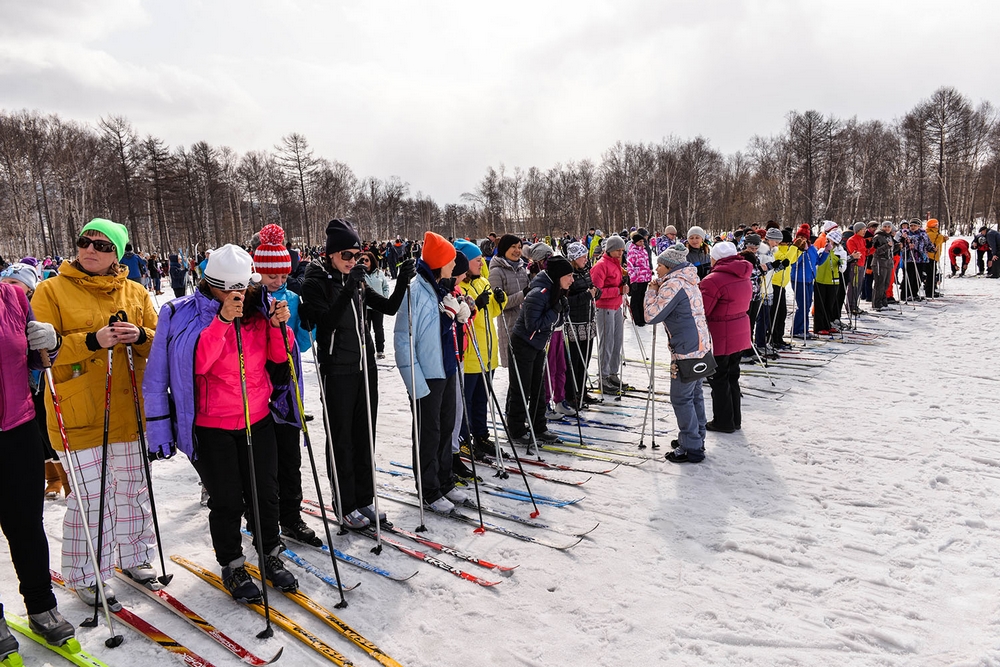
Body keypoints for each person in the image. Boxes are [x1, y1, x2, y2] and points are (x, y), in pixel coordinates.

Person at [144, 244, 299, 601]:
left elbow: (279, 358)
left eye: (243, 289)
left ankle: (271, 554)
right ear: (210, 285)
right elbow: (197, 365)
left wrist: (278, 326)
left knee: (265, 495)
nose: (238, 296)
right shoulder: (187, 313)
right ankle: (232, 563)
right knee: (227, 500)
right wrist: (223, 321)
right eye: (229, 289)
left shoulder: (258, 309)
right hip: (213, 426)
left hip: (257, 419)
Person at [31, 218, 159, 607]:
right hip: (79, 414)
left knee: (132, 491)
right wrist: (91, 340)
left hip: (130, 412)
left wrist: (140, 337)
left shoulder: (135, 292)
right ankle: (87, 574)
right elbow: (37, 352)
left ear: (117, 254)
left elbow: (158, 345)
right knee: (90, 499)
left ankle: (136, 557)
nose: (91, 249)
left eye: (103, 246)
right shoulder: (50, 290)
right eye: (85, 241)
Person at [300, 219, 416, 529]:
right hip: (337, 371)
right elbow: (323, 326)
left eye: (357, 254)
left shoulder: (359, 282)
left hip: (366, 369)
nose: (354, 261)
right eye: (347, 256)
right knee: (342, 439)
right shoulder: (316, 283)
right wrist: (348, 288)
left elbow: (389, 308)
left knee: (365, 435)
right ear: (331, 255)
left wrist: (403, 280)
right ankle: (345, 503)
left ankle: (364, 498)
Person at [0, 278, 77, 656]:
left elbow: (37, 360)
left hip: (18, 430)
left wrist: (50, 343)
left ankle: (41, 606)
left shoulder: (13, 297)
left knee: (26, 525)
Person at [251, 224, 320, 547]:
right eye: (271, 276)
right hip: (258, 384)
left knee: (290, 456)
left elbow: (304, 345)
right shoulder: (251, 299)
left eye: (282, 275)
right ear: (258, 272)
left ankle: (291, 515)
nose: (277, 281)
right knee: (266, 460)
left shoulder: (292, 296)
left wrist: (307, 322)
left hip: (290, 386)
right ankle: (264, 518)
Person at [393, 232, 469, 512]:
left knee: (446, 427)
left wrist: (459, 314)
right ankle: (429, 489)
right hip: (427, 374)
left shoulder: (439, 286)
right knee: (429, 432)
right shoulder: (415, 290)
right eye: (450, 261)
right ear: (439, 262)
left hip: (447, 367)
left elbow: (443, 326)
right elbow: (402, 338)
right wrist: (414, 381)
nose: (454, 266)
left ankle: (445, 480)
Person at [644, 244, 712, 463]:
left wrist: (651, 291)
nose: (657, 270)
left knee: (682, 398)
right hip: (700, 344)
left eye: (660, 266)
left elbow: (651, 315)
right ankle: (695, 437)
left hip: (686, 349)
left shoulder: (673, 284)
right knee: (695, 394)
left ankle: (691, 446)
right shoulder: (689, 279)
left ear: (670, 267)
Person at [505, 256, 575, 453]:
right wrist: (556, 310)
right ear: (558, 275)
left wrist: (563, 310)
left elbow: (554, 319)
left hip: (537, 345)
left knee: (539, 387)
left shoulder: (554, 290)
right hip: (523, 344)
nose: (572, 280)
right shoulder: (539, 292)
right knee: (522, 387)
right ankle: (516, 429)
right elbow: (532, 324)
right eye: (568, 275)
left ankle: (539, 426)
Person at [455, 239, 502, 464]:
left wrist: (497, 302)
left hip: (488, 351)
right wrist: (479, 305)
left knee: (483, 398)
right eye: (477, 260)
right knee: (468, 400)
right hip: (471, 354)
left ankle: (481, 434)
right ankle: (463, 437)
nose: (481, 263)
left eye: (481, 259)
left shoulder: (483, 281)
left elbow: (490, 312)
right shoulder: (459, 287)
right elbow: (462, 319)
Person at [699, 242, 751, 433]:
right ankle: (734, 419)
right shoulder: (743, 274)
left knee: (719, 379)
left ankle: (723, 421)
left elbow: (702, 309)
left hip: (721, 335)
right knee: (732, 376)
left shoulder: (713, 280)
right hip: (740, 332)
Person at [563, 242, 598, 409]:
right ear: (573, 258)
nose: (585, 259)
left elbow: (591, 292)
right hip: (574, 324)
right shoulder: (568, 275)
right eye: (582, 256)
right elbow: (566, 301)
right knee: (574, 362)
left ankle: (582, 390)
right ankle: (571, 394)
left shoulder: (585, 272)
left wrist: (596, 292)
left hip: (587, 322)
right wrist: (586, 296)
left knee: (585, 360)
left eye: (585, 256)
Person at [590, 234, 627, 392]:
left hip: (616, 306)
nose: (620, 253)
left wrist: (624, 285)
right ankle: (603, 376)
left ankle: (612, 372)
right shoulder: (601, 265)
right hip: (604, 307)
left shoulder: (616, 263)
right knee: (607, 342)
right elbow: (596, 292)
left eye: (622, 250)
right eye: (617, 250)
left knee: (617, 340)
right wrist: (618, 290)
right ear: (610, 250)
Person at [488, 234, 529, 368]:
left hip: (526, 324)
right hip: (509, 326)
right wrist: (523, 294)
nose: (517, 250)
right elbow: (498, 304)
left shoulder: (522, 269)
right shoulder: (496, 272)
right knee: (515, 369)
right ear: (504, 248)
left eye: (519, 247)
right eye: (513, 247)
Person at [361, 250, 390, 359]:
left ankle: (380, 350)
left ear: (372, 261)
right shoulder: (361, 274)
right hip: (365, 306)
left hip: (378, 306)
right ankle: (368, 350)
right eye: (362, 260)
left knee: (378, 328)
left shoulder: (379, 273)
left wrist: (384, 297)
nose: (364, 262)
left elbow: (386, 287)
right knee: (366, 329)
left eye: (367, 260)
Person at [626, 231, 652, 326]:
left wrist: (649, 275)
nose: (642, 243)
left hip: (644, 278)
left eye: (643, 241)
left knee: (642, 298)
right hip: (637, 279)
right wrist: (633, 280)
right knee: (635, 299)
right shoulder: (632, 251)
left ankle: (642, 317)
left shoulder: (643, 250)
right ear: (635, 242)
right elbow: (630, 266)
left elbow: (646, 264)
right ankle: (637, 318)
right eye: (640, 241)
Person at [871, 222, 896, 311]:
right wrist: (887, 246)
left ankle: (884, 302)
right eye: (885, 227)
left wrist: (898, 246)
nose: (887, 228)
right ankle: (877, 303)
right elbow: (875, 251)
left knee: (886, 283)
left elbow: (891, 249)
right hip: (879, 262)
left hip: (888, 262)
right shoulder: (878, 236)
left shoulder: (889, 236)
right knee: (879, 283)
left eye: (889, 227)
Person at [925, 219, 948, 296]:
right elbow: (934, 244)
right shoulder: (931, 234)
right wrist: (941, 238)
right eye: (936, 224)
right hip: (931, 256)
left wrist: (943, 239)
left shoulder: (935, 233)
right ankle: (929, 291)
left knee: (932, 273)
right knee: (931, 274)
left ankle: (931, 290)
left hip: (934, 256)